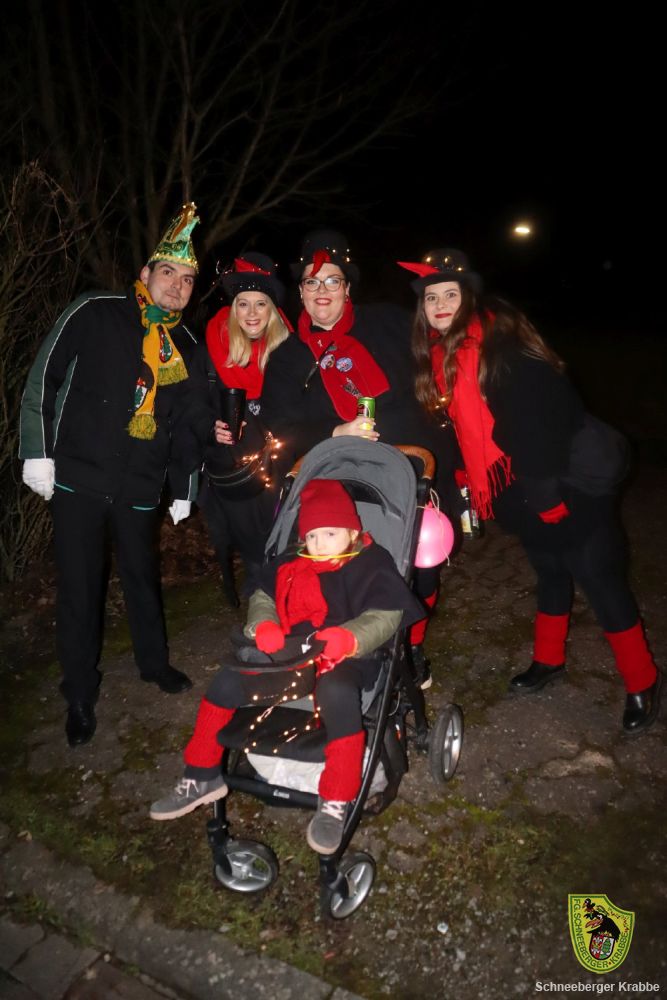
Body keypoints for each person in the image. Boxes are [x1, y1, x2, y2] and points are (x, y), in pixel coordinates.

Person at [400, 248, 661, 734]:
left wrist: (546, 497)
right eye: (430, 298)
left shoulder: (503, 349)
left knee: (598, 577)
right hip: (521, 486)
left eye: (449, 294)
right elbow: (466, 428)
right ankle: (549, 659)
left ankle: (642, 679)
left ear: (470, 297)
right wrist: (467, 475)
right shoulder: (445, 356)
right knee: (549, 569)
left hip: (567, 483)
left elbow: (539, 426)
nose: (439, 305)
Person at [149, 478, 423, 854]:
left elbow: (386, 613)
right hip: (292, 653)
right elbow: (263, 594)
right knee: (228, 680)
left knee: (336, 691)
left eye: (330, 534)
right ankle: (201, 776)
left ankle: (336, 799)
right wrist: (263, 624)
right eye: (311, 536)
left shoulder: (371, 562)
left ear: (351, 531)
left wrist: (351, 637)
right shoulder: (293, 561)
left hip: (348, 655)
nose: (319, 544)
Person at [19, 203, 204, 748]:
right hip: (78, 476)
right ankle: (79, 692)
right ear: (145, 273)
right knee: (80, 587)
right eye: (167, 273)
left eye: (187, 280)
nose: (176, 286)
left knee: (142, 578)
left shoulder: (188, 347)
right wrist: (37, 451)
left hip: (141, 484)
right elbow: (45, 376)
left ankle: (154, 663)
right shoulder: (94, 310)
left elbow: (187, 426)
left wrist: (184, 487)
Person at [259, 229, 461, 687]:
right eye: (312, 282)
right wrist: (335, 432)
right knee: (357, 572)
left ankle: (412, 647)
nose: (322, 290)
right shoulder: (288, 357)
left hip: (413, 468)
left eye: (332, 280)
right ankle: (357, 648)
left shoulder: (387, 322)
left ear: (347, 288)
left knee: (420, 569)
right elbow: (280, 424)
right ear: (301, 293)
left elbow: (445, 339)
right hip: (340, 485)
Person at [195, 253, 291, 602]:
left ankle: (292, 612)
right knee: (255, 559)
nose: (252, 313)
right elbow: (192, 407)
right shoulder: (210, 349)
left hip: (284, 468)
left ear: (273, 310)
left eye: (261, 304)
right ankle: (262, 621)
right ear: (233, 308)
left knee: (288, 548)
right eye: (243, 304)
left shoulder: (290, 352)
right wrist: (211, 428)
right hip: (237, 473)